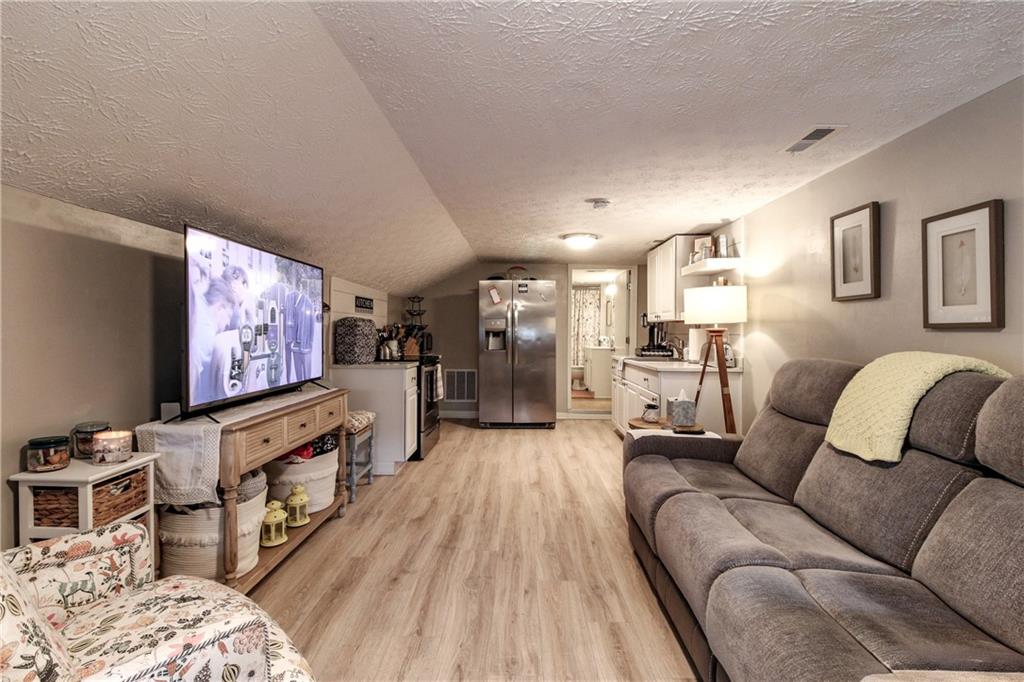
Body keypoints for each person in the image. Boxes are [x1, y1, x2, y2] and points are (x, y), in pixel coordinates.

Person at [190, 278, 239, 405]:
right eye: (228, 315)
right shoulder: (206, 332)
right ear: (220, 307)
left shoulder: (198, 309)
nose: (228, 323)